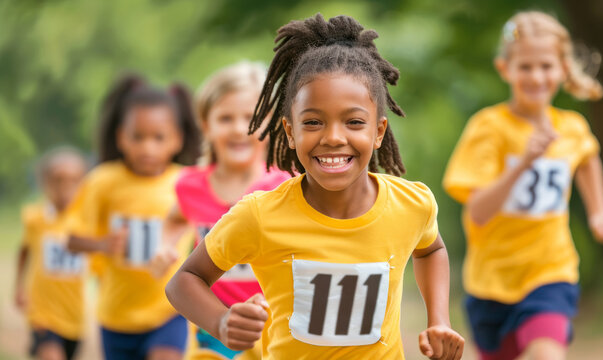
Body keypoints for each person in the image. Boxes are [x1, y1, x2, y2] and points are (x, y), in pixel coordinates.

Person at [166, 14, 464, 360]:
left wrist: (439, 319)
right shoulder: (259, 214)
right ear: (290, 132)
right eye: (313, 122)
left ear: (379, 131)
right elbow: (184, 280)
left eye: (354, 122)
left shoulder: (413, 204)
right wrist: (220, 322)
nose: (334, 137)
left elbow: (430, 250)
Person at [442, 11, 603, 360]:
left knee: (546, 354)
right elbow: (478, 213)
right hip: (490, 280)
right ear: (505, 69)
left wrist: (600, 211)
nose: (537, 76)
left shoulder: (572, 127)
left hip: (550, 271)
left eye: (546, 65)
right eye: (525, 67)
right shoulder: (489, 127)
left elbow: (588, 159)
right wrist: (523, 162)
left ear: (563, 69)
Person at [150, 61, 291, 360]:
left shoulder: (284, 186)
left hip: (274, 324)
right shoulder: (191, 185)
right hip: (215, 324)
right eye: (225, 118)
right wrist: (164, 246)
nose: (239, 129)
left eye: (250, 118)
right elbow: (176, 218)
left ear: (272, 124)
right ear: (206, 124)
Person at [66, 75, 201, 360]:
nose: (147, 148)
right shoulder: (102, 181)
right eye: (137, 137)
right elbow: (71, 240)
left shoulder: (187, 183)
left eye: (158, 138)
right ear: (120, 137)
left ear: (177, 139)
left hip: (169, 309)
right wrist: (102, 244)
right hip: (117, 315)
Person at [14, 147, 88, 360]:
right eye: (58, 180)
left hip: (74, 317)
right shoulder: (35, 218)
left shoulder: (86, 221)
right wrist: (19, 286)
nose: (66, 187)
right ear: (45, 182)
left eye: (74, 180)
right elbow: (25, 250)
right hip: (43, 314)